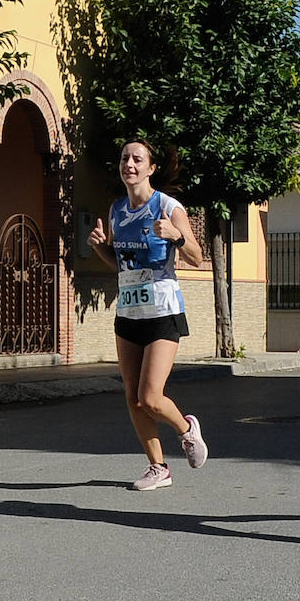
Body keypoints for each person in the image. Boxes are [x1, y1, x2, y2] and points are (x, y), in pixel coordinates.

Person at [87, 138, 208, 491]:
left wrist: (176, 236)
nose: (129, 164)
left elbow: (197, 257)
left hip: (163, 310)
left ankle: (187, 430)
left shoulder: (168, 207)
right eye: (124, 157)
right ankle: (158, 467)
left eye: (137, 159)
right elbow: (120, 265)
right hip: (128, 310)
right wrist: (100, 249)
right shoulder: (116, 211)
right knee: (132, 396)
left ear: (151, 168)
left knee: (151, 396)